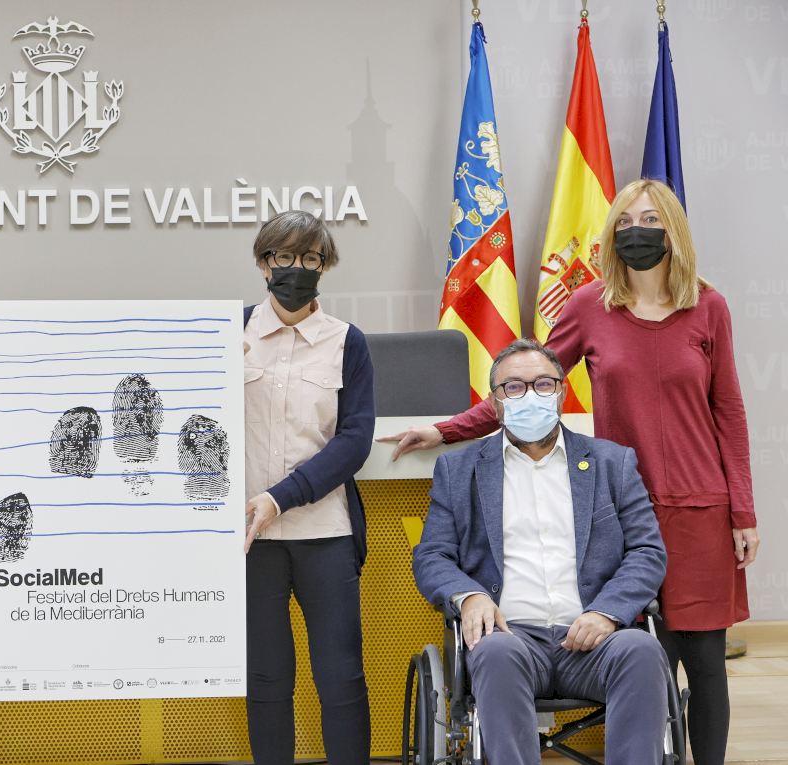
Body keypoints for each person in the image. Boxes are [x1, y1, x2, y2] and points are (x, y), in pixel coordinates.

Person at [387, 179, 755, 765]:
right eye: (625, 220)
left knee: (704, 662)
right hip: (614, 504)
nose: (637, 231)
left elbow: (728, 410)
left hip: (698, 506)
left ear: (674, 231)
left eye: (651, 220)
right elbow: (527, 382)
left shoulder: (709, 307)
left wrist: (743, 511)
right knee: (642, 650)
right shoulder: (590, 306)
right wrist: (447, 430)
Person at [413, 339, 668, 763]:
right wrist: (470, 596)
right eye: (514, 387)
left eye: (543, 384)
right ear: (495, 403)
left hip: (593, 639)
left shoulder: (612, 463)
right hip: (511, 637)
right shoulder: (459, 470)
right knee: (493, 652)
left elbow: (647, 550)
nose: (531, 396)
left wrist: (607, 612)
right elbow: (432, 555)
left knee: (641, 652)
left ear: (561, 392)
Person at [242, 210, 375, 765]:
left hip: (325, 533)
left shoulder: (347, 341)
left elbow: (354, 441)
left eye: (310, 259)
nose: (296, 268)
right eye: (284, 256)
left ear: (324, 267)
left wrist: (282, 497)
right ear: (263, 263)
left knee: (341, 677)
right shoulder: (228, 334)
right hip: (249, 540)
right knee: (266, 678)